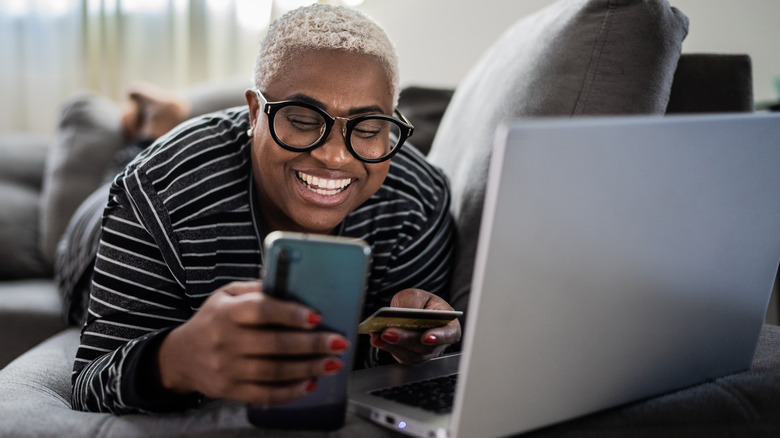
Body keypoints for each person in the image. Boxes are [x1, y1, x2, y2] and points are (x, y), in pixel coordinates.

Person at [71, 4, 459, 415]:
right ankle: (150, 129)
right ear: (255, 113)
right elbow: (90, 382)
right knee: (115, 178)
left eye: (367, 128)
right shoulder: (153, 191)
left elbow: (392, 364)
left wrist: (406, 346)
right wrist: (174, 360)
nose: (335, 157)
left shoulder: (418, 201)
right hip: (92, 233)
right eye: (303, 120)